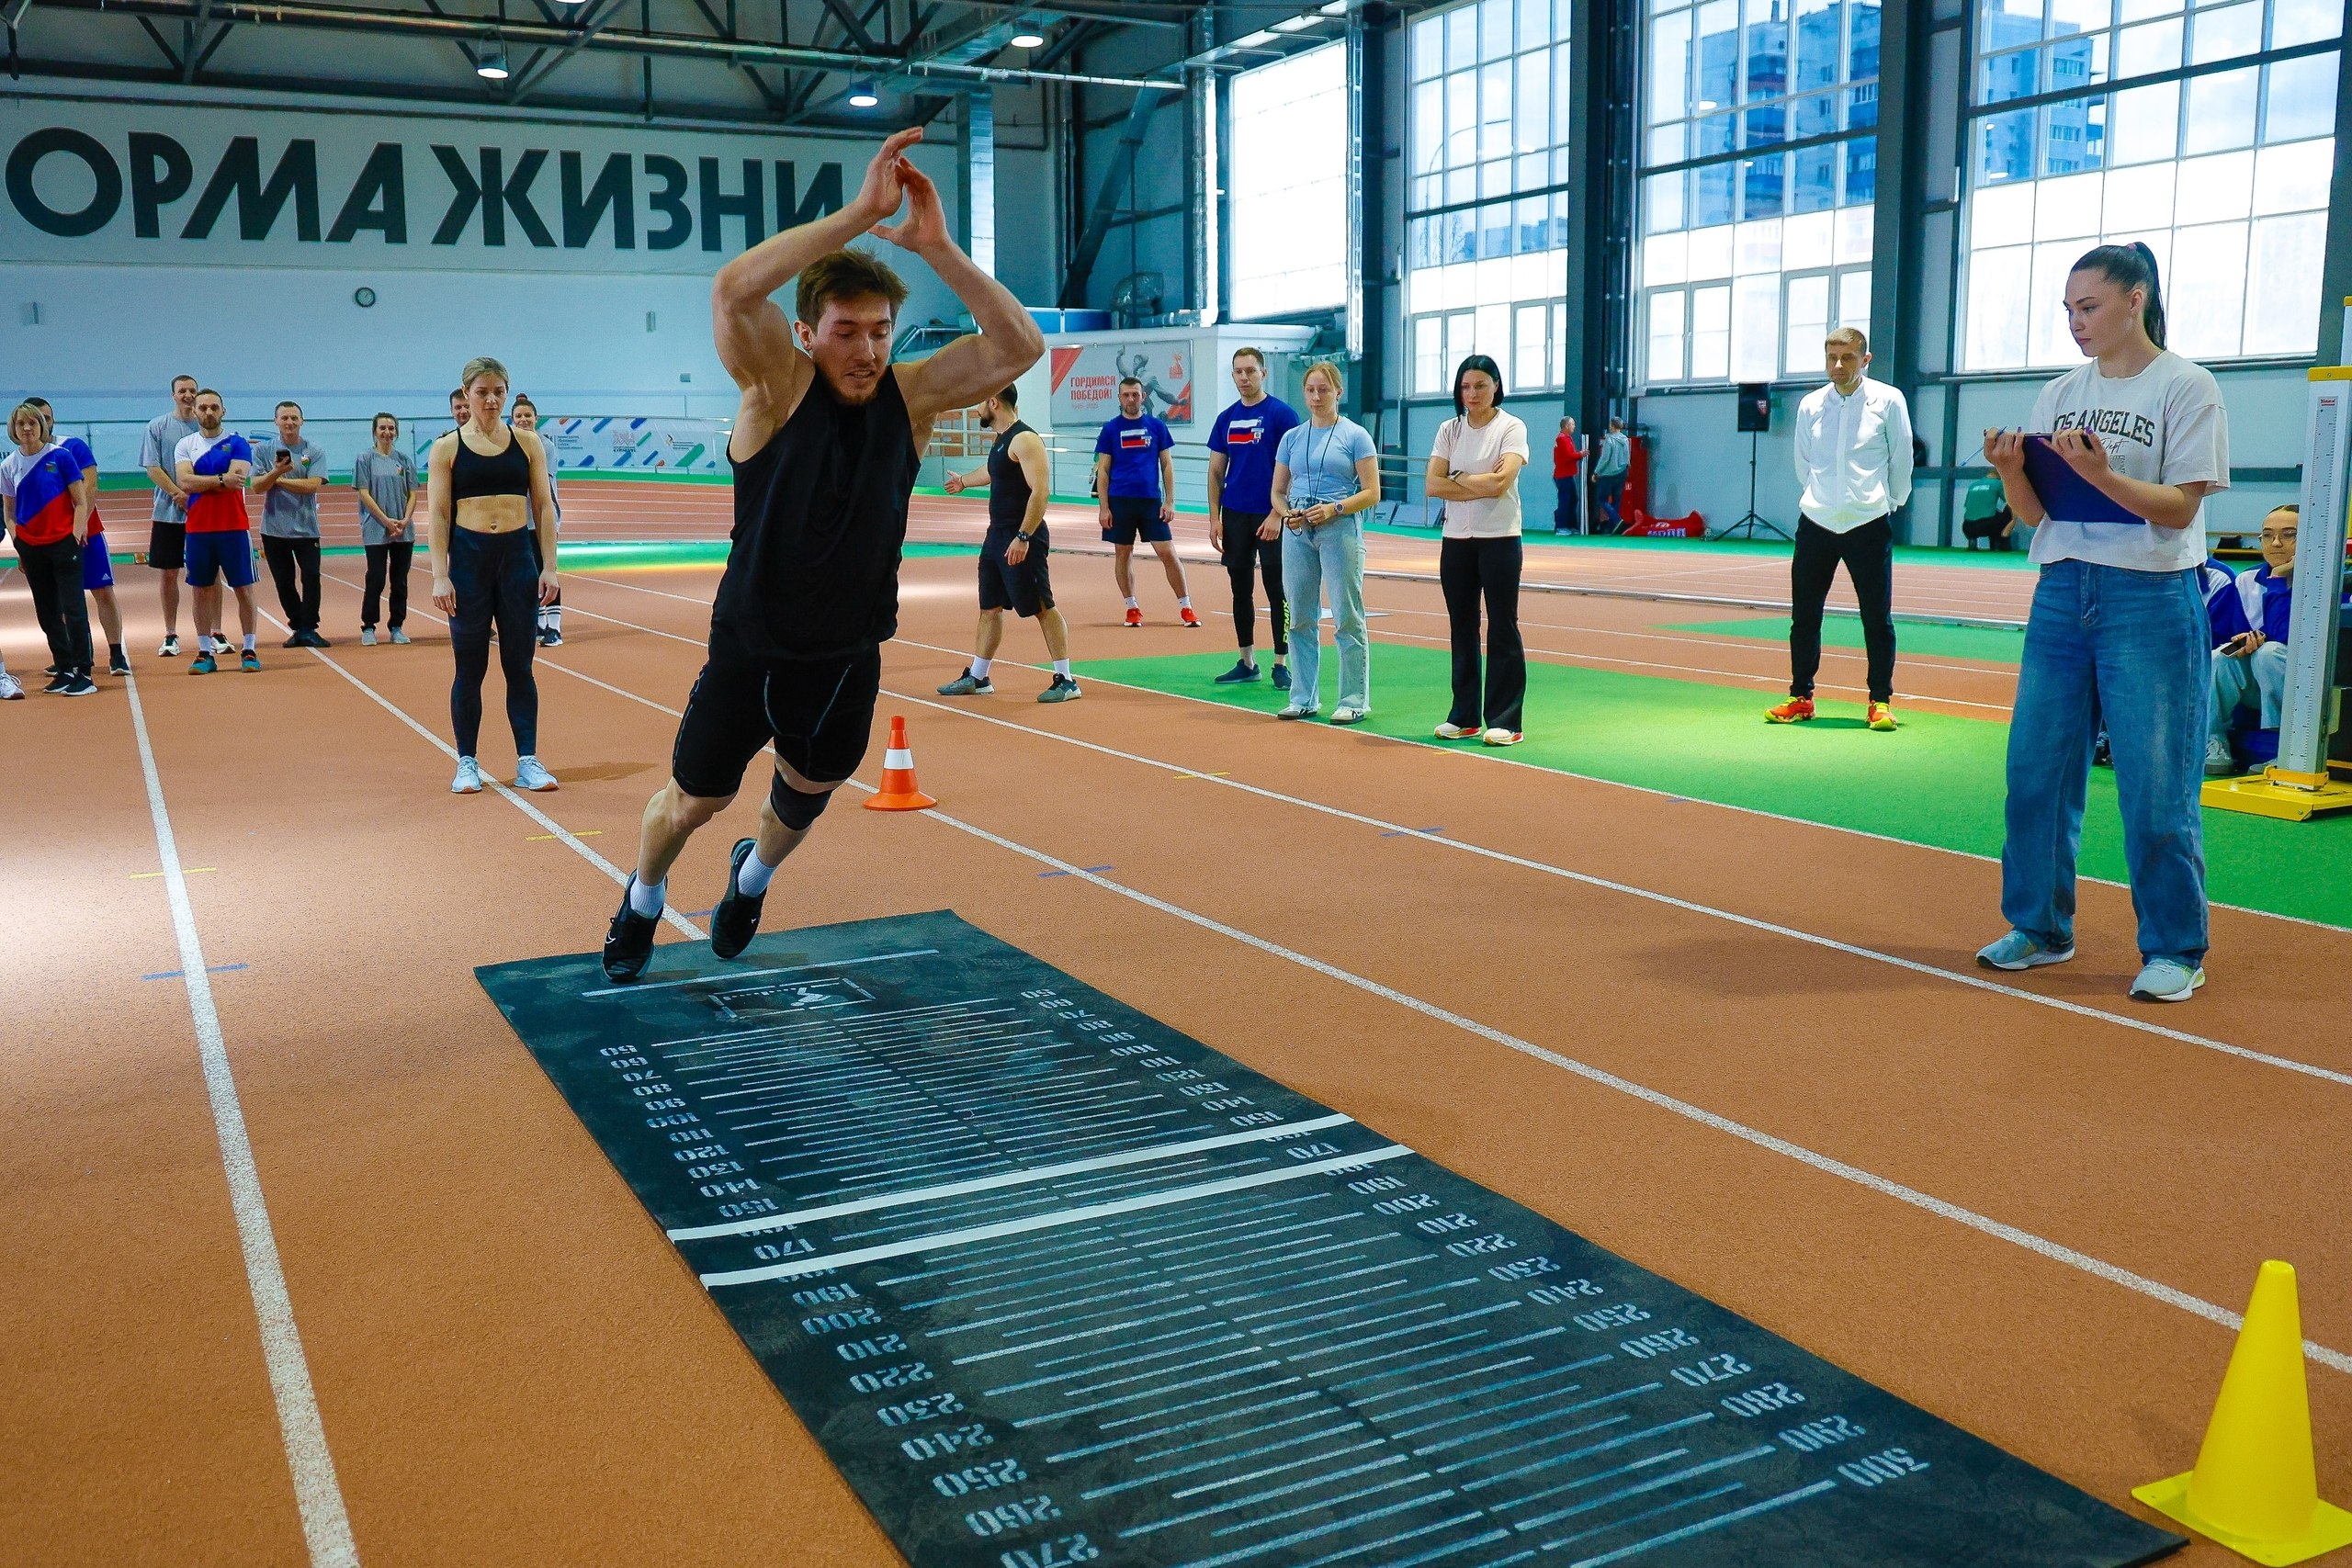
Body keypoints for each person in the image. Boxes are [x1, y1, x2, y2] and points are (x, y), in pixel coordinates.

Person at [601, 126, 1044, 984]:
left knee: (803, 798)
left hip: (846, 653)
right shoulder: (773, 389)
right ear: (807, 332)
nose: (869, 350)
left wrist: (938, 247)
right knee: (697, 799)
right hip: (751, 644)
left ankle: (750, 879)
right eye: (847, 331)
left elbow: (1019, 348)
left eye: (881, 331)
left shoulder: (909, 400)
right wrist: (859, 215)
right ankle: (644, 898)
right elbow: (733, 290)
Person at [1978, 242, 2224, 1005]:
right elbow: (2034, 517)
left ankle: (2177, 947)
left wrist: (2103, 475)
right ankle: (2041, 927)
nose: (2077, 323)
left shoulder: (2187, 386)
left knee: (2157, 781)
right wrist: (2015, 472)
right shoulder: (2059, 392)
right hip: (2061, 592)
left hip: (2149, 597)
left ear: (2135, 299)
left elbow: (2183, 506)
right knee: (2036, 774)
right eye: (2068, 311)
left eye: (2088, 307)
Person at [1768, 327, 1915, 731]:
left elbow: (1902, 457)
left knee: (1876, 617)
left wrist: (1891, 502)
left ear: (1865, 360)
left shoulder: (1889, 400)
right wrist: (1821, 498)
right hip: (1816, 522)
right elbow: (1804, 462)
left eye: (1848, 357)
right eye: (1832, 357)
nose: (1837, 365)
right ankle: (1801, 697)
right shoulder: (1811, 404)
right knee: (1805, 615)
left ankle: (1880, 701)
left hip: (1868, 522)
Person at [427, 357, 560, 795]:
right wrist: (440, 575)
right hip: (468, 563)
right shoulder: (446, 448)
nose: (490, 399)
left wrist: (550, 567)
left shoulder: (527, 444)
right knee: (470, 668)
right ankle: (467, 761)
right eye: (482, 391)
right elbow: (439, 514)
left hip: (517, 560)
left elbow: (542, 507)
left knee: (519, 665)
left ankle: (528, 760)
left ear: (506, 393)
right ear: (466, 394)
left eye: (498, 391)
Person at [936, 383, 1081, 703]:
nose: (976, 410)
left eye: (979, 404)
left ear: (993, 403)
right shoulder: (1003, 441)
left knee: (1043, 606)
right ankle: (978, 676)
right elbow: (992, 472)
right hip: (997, 536)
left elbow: (1040, 491)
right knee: (989, 607)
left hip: (1021, 536)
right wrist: (962, 481)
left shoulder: (1025, 439)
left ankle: (1067, 680)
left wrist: (1023, 536)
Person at [1426, 355, 1532, 745]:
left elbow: (1500, 484)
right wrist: (1476, 482)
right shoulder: (1449, 430)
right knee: (1462, 626)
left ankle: (1507, 720)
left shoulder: (1511, 427)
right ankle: (1464, 715)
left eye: (1481, 386)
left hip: (1500, 538)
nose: (1472, 394)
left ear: (1497, 387)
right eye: (1466, 387)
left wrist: (1460, 477)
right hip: (1456, 541)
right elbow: (1433, 485)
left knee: (1502, 626)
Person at [1271, 361, 1382, 724]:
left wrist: (1334, 508)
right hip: (1298, 531)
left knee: (1347, 617)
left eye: (1323, 390)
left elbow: (1371, 492)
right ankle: (1303, 697)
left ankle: (1353, 699)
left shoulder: (1356, 436)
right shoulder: (1292, 438)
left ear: (1338, 392)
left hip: (1340, 529)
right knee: (1300, 618)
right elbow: (1277, 491)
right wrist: (1287, 513)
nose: (1316, 397)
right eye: (1310, 390)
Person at [1205, 347, 1300, 686]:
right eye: (1238, 372)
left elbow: (1294, 470)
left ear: (1264, 373)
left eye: (1250, 371)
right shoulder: (1226, 418)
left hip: (1272, 517)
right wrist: (1215, 518)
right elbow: (1216, 472)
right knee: (1239, 589)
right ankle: (1247, 662)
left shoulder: (1282, 415)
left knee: (1278, 590)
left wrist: (1279, 513)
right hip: (1236, 515)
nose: (1244, 377)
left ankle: (1281, 662)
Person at [1, 401, 97, 694]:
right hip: (31, 548)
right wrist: (20, 543)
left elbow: (81, 501)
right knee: (46, 611)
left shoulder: (61, 457)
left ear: (42, 427)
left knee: (73, 607)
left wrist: (75, 534)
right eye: (21, 424)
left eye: (33, 423)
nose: (27, 428)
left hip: (63, 544)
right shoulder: (8, 466)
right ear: (13, 429)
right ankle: (64, 668)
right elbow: (8, 512)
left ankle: (84, 672)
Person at [27, 399, 128, 677]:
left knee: (103, 592)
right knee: (60, 601)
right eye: (35, 419)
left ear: (53, 420)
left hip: (87, 534)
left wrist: (79, 526)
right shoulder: (25, 458)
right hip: (51, 541)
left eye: (46, 418)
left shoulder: (73, 446)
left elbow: (90, 486)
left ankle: (117, 653)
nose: (42, 424)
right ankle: (72, 656)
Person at [1093, 377, 1198, 628]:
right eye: (1126, 395)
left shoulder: (1157, 427)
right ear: (1120, 398)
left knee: (1167, 552)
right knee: (1123, 553)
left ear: (1144, 397)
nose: (1131, 399)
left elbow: (1167, 465)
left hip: (1151, 501)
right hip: (1120, 502)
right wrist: (1104, 507)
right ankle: (1131, 607)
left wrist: (1170, 500)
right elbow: (1103, 471)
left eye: (1136, 395)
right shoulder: (1110, 429)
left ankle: (1186, 607)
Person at [2205, 504, 2301, 777]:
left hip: (2307, 691)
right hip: (2257, 686)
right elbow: (2223, 636)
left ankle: (2288, 749)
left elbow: (2284, 636)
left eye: (2289, 534)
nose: (2276, 543)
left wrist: (2279, 580)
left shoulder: (2328, 582)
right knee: (2220, 656)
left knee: (2269, 652)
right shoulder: (2245, 580)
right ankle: (2214, 739)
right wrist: (2242, 641)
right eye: (2267, 535)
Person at [173, 389, 262, 674]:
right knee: (200, 591)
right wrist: (221, 479)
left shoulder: (238, 444)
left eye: (214, 407)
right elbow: (184, 481)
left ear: (223, 411)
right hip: (198, 529)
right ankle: (204, 651)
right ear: (195, 412)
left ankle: (249, 649)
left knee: (244, 590)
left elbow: (239, 479)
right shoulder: (185, 445)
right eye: (203, 408)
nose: (208, 412)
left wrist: (206, 481)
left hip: (234, 528)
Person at [252, 400, 332, 649]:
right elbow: (256, 487)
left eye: (294, 418)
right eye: (284, 418)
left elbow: (312, 486)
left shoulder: (314, 451)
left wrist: (277, 480)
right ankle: (298, 626)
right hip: (274, 530)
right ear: (276, 421)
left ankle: (310, 627)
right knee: (284, 581)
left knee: (311, 577)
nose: (289, 422)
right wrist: (276, 473)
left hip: (307, 528)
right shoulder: (263, 451)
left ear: (302, 421)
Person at [140, 374, 202, 657]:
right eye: (183, 391)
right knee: (169, 574)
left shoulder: (207, 426)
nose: (188, 395)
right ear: (173, 395)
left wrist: (197, 496)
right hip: (168, 513)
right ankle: (170, 634)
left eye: (192, 390)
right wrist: (179, 494)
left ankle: (214, 631)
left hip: (203, 514)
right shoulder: (158, 426)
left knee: (208, 574)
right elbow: (152, 467)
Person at [353, 412, 417, 646]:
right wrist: (386, 521)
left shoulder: (404, 460)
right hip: (376, 528)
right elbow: (363, 492)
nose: (387, 432)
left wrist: (405, 520)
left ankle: (397, 626)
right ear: (375, 431)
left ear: (397, 432)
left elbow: (413, 493)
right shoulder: (365, 459)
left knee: (399, 580)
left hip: (403, 530)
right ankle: (369, 626)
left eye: (391, 428)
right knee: (376, 578)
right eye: (383, 428)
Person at [509, 395, 565, 647]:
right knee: (525, 576)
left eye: (527, 416)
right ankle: (536, 622)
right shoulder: (506, 445)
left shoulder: (545, 447)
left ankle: (554, 628)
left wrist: (554, 522)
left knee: (547, 571)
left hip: (540, 523)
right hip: (517, 524)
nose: (523, 420)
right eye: (518, 416)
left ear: (535, 418)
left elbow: (548, 490)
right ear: (511, 420)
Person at [1591, 417, 1630, 532]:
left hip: (1608, 475)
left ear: (1612, 426)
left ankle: (1617, 520)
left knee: (1602, 499)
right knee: (1616, 500)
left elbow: (1605, 458)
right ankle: (1614, 527)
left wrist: (1596, 472)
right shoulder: (1625, 440)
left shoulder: (1609, 440)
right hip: (1621, 473)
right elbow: (1627, 457)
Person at [1551, 415, 1583, 535]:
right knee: (1565, 500)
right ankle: (1560, 526)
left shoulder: (1566, 438)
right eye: (1572, 424)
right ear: (1566, 426)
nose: (1574, 426)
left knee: (1573, 499)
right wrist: (1581, 454)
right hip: (1563, 475)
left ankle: (1570, 525)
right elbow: (1569, 456)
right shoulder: (1562, 439)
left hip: (1567, 474)